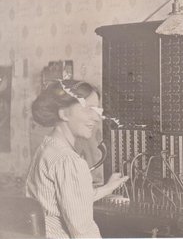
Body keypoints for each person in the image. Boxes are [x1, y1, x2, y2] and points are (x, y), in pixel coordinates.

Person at [26, 80, 129, 238]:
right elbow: (83, 232)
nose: (97, 118)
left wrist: (108, 188)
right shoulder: (70, 161)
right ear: (63, 113)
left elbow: (71, 197)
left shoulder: (47, 149)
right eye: (88, 109)